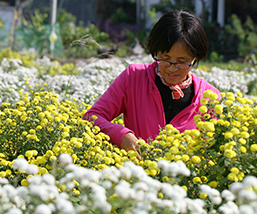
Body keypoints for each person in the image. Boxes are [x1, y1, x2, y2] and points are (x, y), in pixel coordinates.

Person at [83, 9, 220, 152]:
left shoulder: (210, 97)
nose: (172, 68)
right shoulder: (134, 78)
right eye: (165, 59)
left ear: (195, 58)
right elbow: (92, 117)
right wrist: (121, 136)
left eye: (182, 61)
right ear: (155, 52)